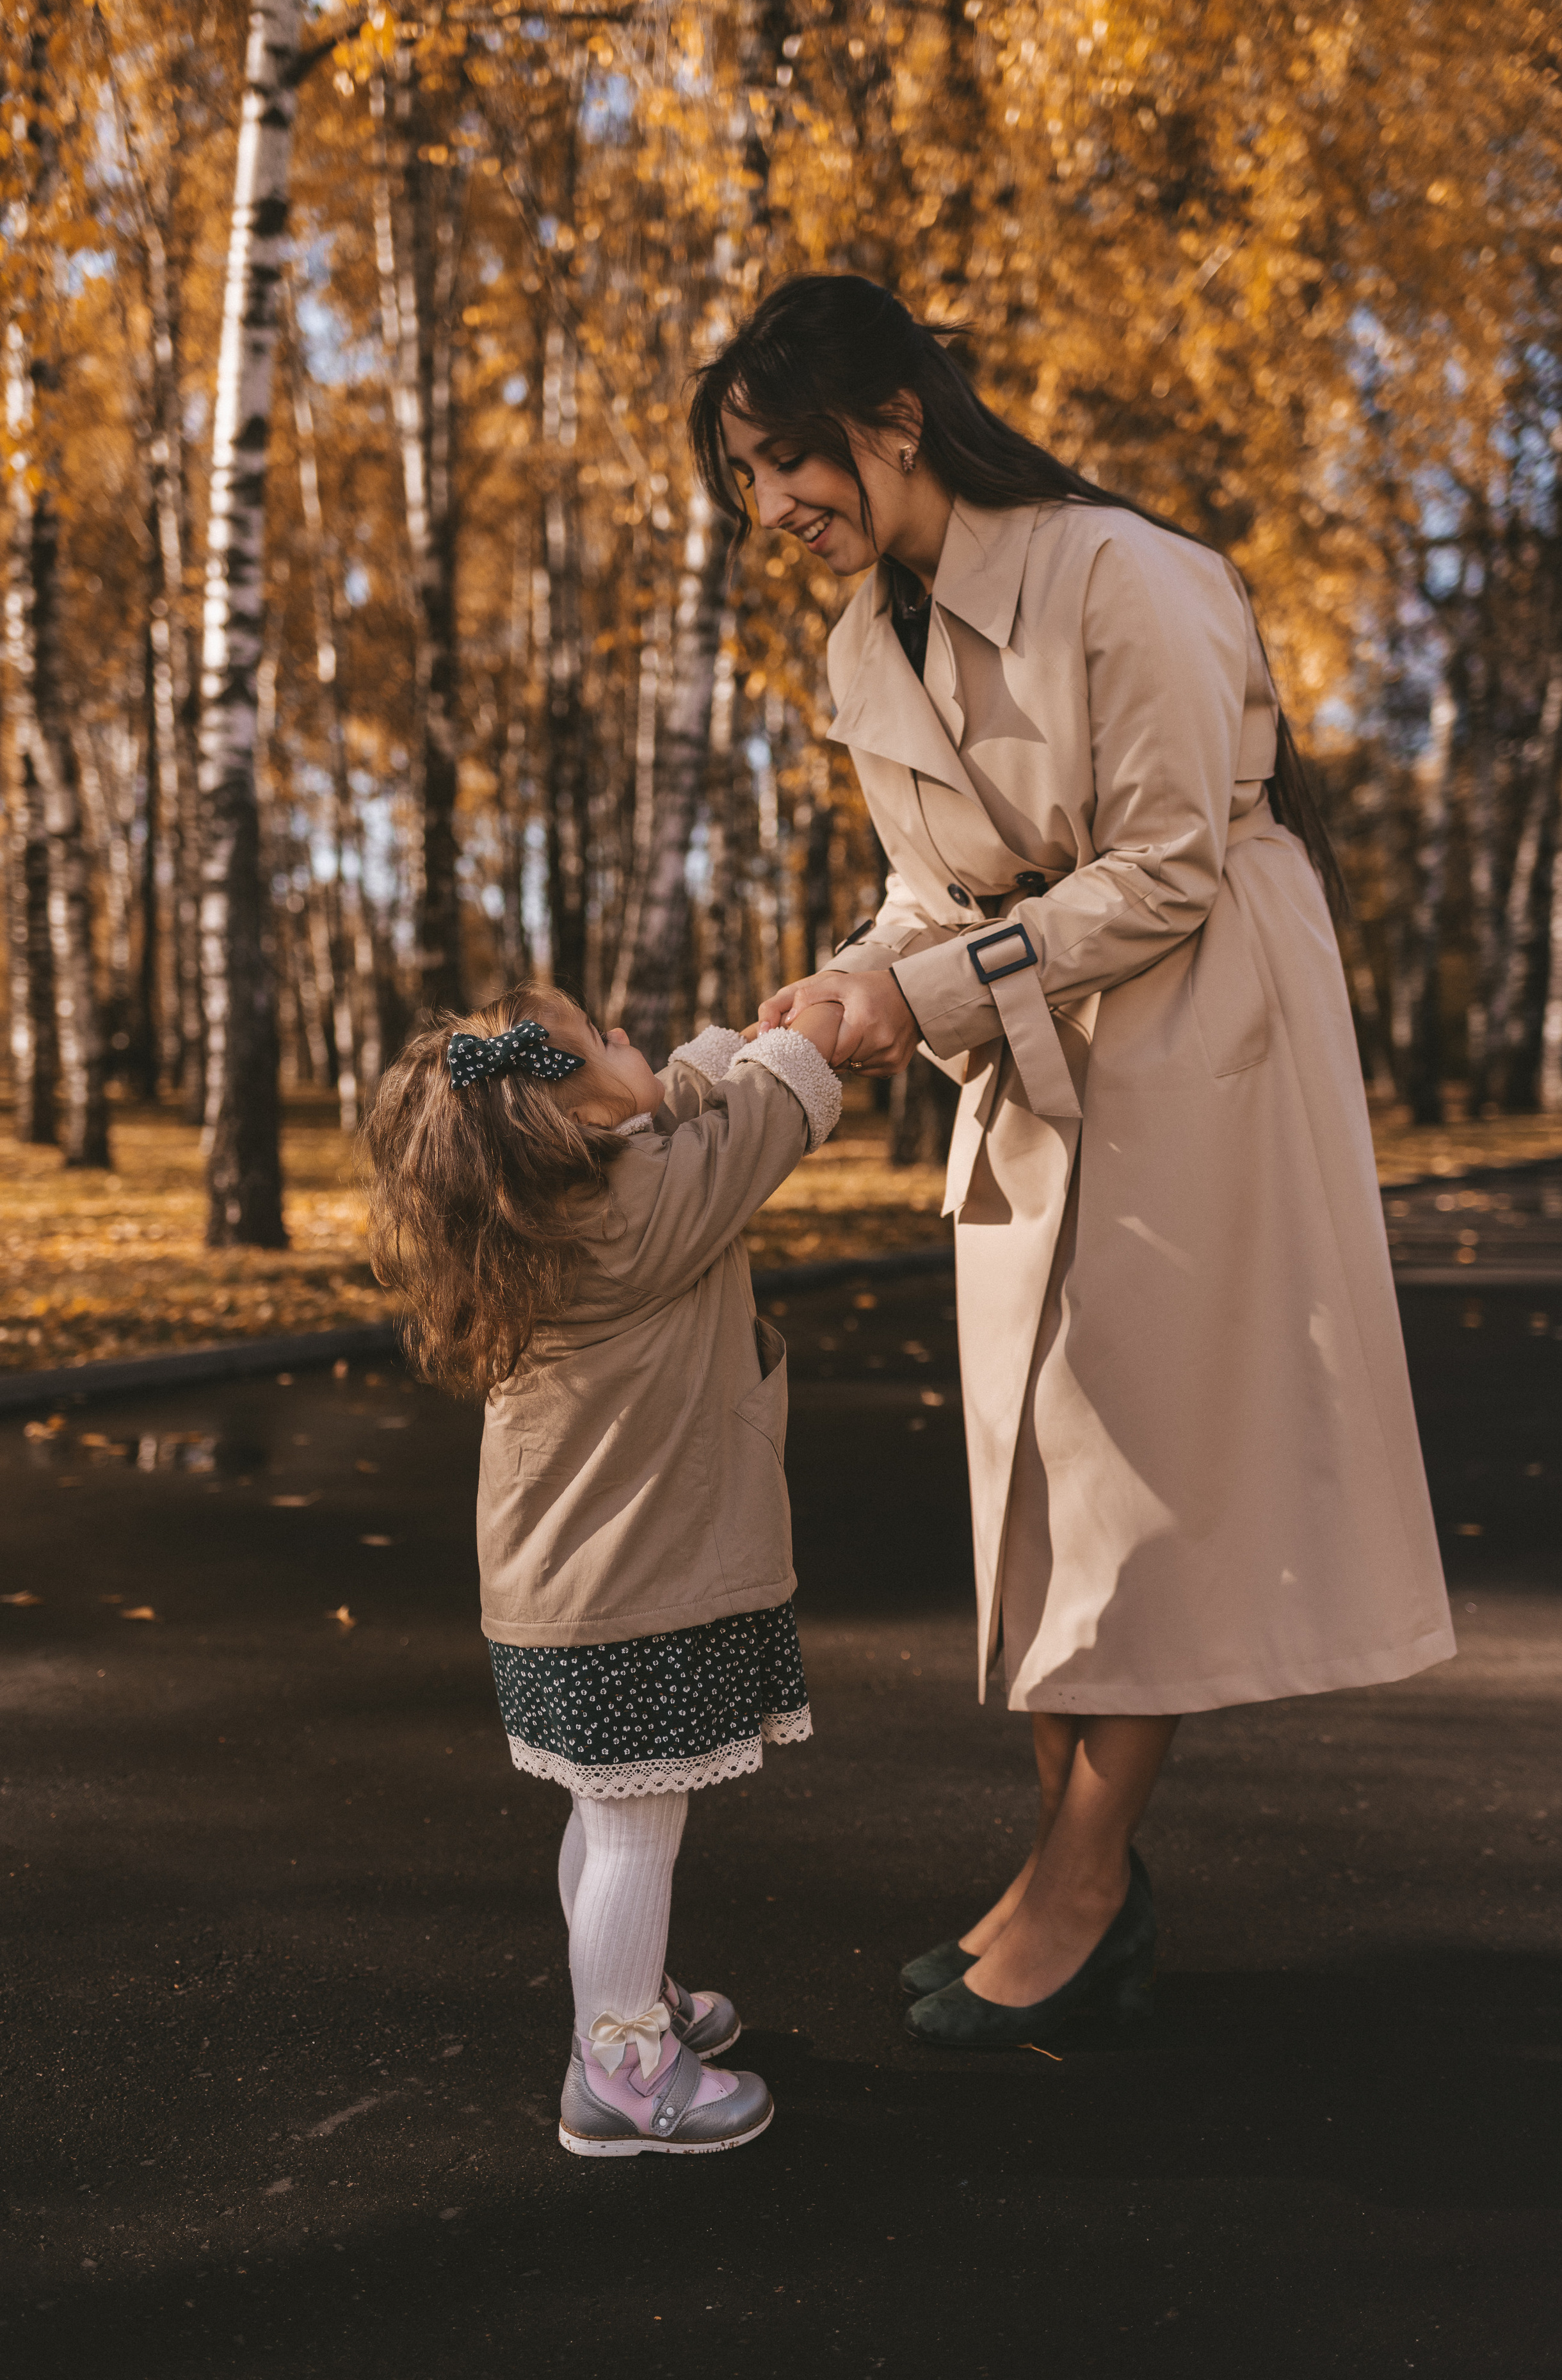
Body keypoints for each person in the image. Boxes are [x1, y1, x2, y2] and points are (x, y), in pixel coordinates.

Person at [688, 273, 1454, 2050]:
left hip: (1207, 1039)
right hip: (1032, 1050)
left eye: (785, 460)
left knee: (1151, 1469)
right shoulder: (864, 642)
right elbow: (931, 883)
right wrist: (857, 977)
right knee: (1050, 1475)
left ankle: (1084, 1880)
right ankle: (1069, 1872)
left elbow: (1174, 864)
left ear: (893, 418)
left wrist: (926, 990)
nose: (766, 508)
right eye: (740, 477)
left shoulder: (1122, 576)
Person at [360, 986, 844, 2150]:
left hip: (562, 1601)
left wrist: (716, 1051)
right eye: (604, 1040)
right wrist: (812, 1025)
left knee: (606, 1804)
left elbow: (662, 1107)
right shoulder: (643, 1213)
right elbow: (759, 1122)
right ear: (566, 1122)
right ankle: (620, 2063)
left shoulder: (558, 1207)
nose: (635, 1038)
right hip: (639, 1594)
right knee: (637, 1831)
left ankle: (625, 1996)